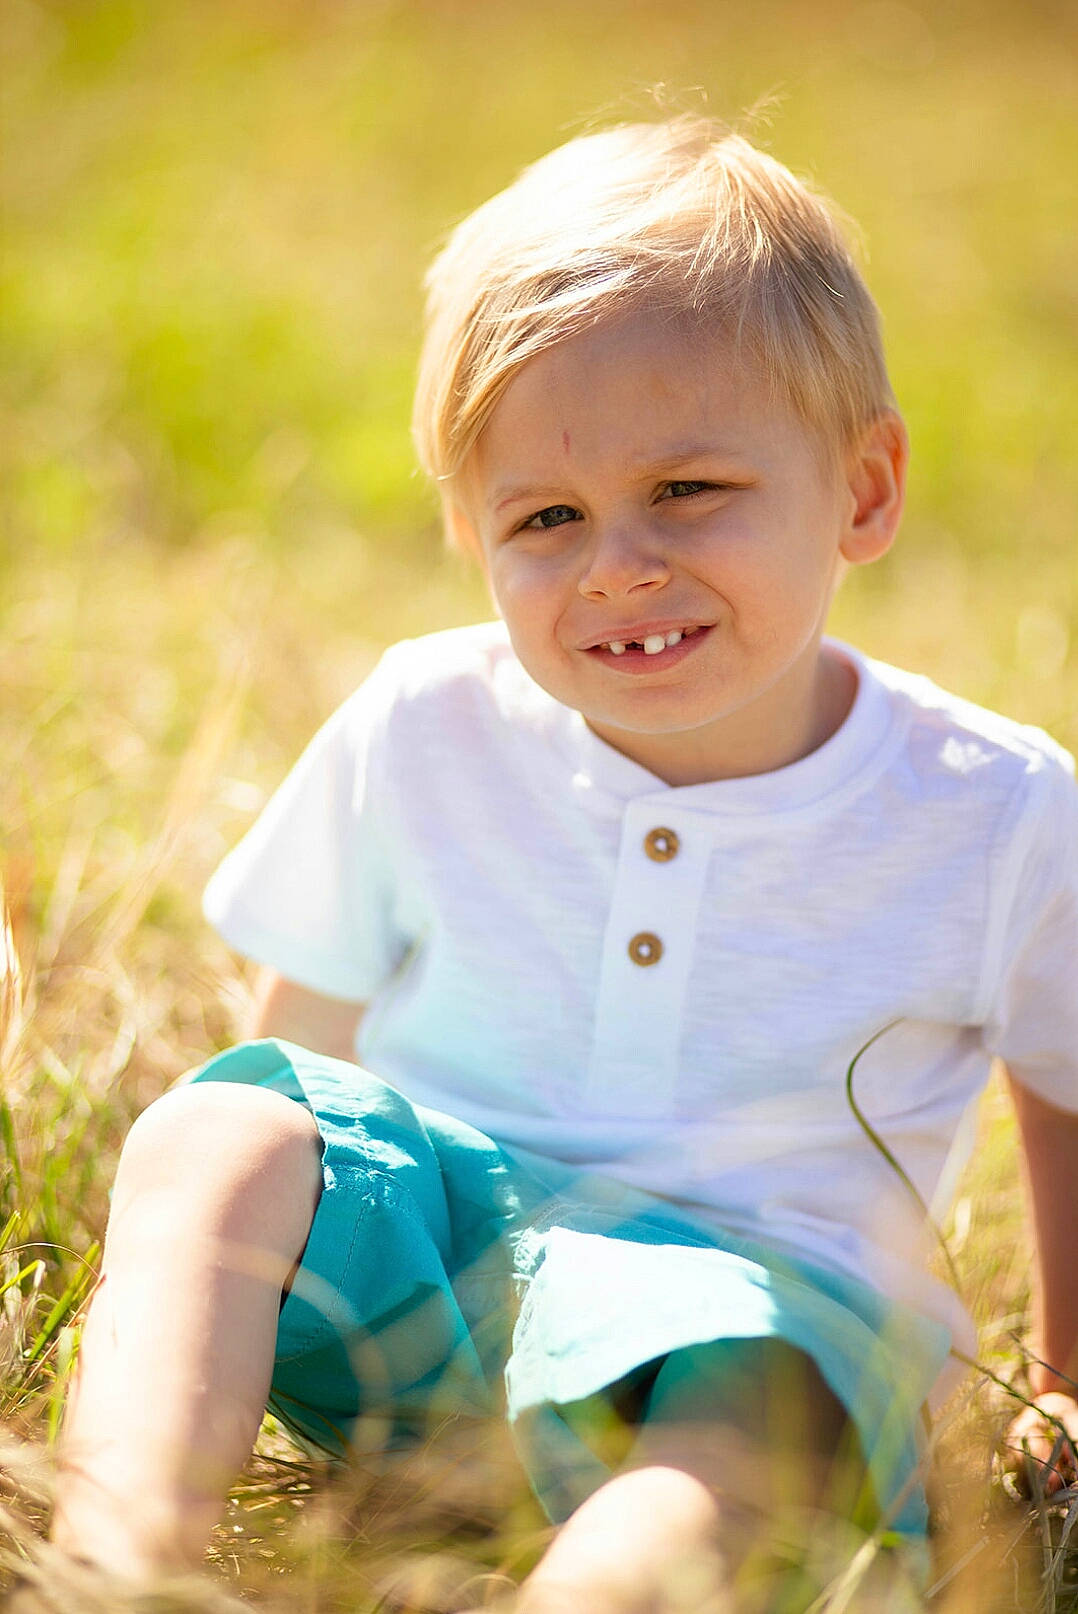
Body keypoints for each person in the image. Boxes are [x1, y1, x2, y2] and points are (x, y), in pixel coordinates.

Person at [45, 116, 1078, 1613]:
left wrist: (1059, 1379)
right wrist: (269, 1197)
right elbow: (299, 1047)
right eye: (546, 517)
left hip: (767, 1314)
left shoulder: (987, 806)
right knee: (219, 1131)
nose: (616, 564)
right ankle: (113, 1559)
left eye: (689, 491)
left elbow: (1063, 1076)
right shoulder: (425, 719)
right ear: (471, 531)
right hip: (449, 1284)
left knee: (753, 1422)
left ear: (862, 489)